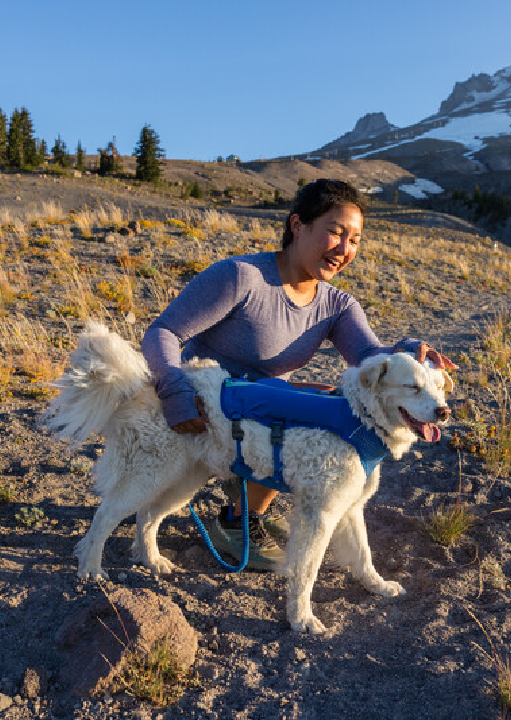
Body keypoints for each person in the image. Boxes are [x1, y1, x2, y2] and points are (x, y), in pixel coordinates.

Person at [141, 179, 457, 570]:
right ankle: (239, 522)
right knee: (290, 402)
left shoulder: (336, 304)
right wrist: (174, 393)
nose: (345, 250)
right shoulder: (242, 277)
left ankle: (248, 504)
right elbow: (163, 332)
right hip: (206, 407)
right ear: (298, 226)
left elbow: (369, 358)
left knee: (327, 398)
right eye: (335, 232)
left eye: (355, 240)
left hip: (258, 404)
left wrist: (407, 350)